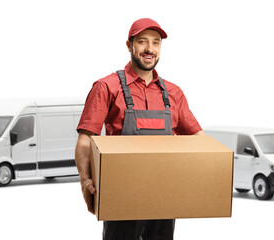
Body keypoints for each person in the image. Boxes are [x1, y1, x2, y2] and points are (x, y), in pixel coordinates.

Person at [75, 18, 204, 240]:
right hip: (120, 192)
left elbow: (198, 139)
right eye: (142, 42)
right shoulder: (106, 87)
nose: (149, 49)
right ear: (129, 46)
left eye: (156, 43)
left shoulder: (173, 93)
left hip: (164, 193)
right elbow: (86, 138)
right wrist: (85, 181)